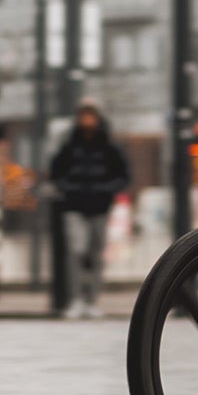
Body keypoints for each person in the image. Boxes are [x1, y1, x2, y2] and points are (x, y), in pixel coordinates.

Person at [48, 98, 131, 319]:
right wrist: (69, 189)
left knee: (95, 254)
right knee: (76, 251)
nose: (87, 120)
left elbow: (123, 175)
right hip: (74, 206)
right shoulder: (69, 145)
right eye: (83, 115)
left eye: (90, 115)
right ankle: (75, 300)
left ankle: (92, 300)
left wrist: (106, 191)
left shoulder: (109, 146)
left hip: (100, 207)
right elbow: (55, 173)